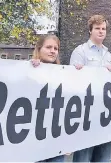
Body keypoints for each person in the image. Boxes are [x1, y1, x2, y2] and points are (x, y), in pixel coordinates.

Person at [69, 14, 111, 162]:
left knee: (103, 157)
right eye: (97, 28)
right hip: (86, 114)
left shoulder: (108, 55)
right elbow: (73, 82)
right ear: (90, 30)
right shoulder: (80, 51)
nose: (101, 31)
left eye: (103, 29)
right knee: (83, 157)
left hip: (106, 114)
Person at [30, 34, 66, 162]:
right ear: (39, 49)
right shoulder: (28, 69)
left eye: (56, 48)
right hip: (34, 137)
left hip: (56, 137)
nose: (52, 51)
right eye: (48, 47)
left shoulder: (64, 73)